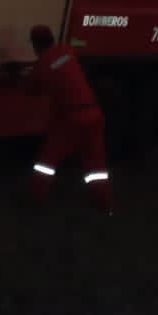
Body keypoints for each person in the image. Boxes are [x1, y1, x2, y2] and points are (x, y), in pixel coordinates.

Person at [19, 24, 112, 213]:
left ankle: (36, 200)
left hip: (71, 118)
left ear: (36, 45)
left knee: (47, 162)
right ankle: (105, 205)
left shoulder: (43, 64)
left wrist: (17, 76)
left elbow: (31, 89)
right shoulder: (67, 51)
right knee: (96, 165)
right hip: (94, 115)